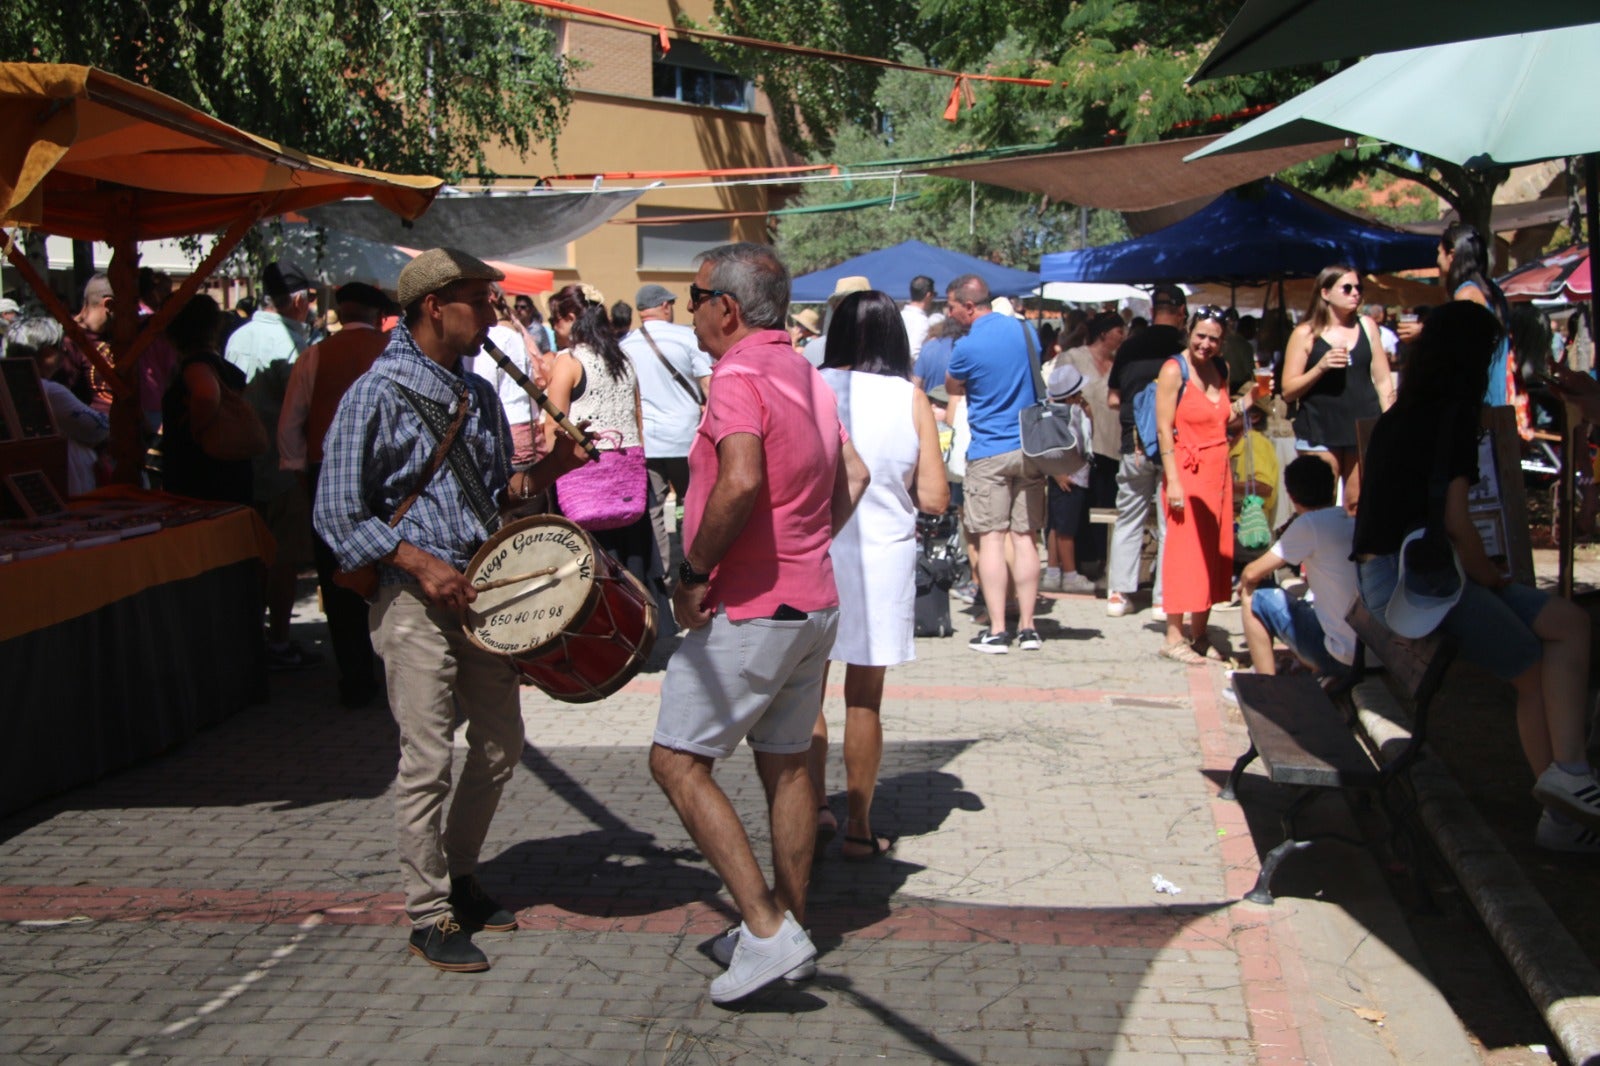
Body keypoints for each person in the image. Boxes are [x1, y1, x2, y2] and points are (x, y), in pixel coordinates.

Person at [314, 248, 591, 972]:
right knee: (428, 757)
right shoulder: (374, 394)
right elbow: (336, 514)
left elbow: (498, 495)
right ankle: (427, 911)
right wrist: (414, 561)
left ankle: (461, 873)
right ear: (435, 305)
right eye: (481, 301)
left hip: (477, 592)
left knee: (500, 746)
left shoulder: (479, 393)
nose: (494, 316)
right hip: (412, 600)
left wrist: (552, 472)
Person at [649, 242, 869, 1005]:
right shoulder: (804, 372)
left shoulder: (740, 372)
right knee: (787, 764)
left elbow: (739, 479)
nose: (691, 305)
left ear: (728, 309)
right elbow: (856, 475)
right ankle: (786, 928)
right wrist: (806, 544)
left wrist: (694, 572)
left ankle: (769, 930)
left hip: (752, 606)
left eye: (696, 293)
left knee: (677, 761)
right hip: (812, 602)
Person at [1353, 301, 1600, 852]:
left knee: (1567, 620)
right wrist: (1494, 578)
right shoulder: (1454, 417)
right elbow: (1457, 524)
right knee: (1532, 668)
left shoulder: (1407, 412)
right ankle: (1562, 814)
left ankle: (1571, 774)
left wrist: (1489, 578)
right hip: (1419, 582)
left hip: (1412, 572)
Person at [809, 290, 948, 862]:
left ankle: (812, 808)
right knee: (864, 700)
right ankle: (860, 828)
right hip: (882, 556)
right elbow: (936, 496)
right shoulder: (910, 397)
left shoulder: (811, 385)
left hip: (813, 549)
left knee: (804, 693)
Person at [278, 281, 399, 709]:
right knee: (389, 569)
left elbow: (291, 421)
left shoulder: (313, 355)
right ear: (375, 315)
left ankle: (355, 677)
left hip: (326, 475)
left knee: (338, 575)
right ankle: (395, 670)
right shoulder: (391, 352)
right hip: (388, 479)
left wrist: (298, 471)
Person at [543, 283, 659, 587]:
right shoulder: (623, 359)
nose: (553, 329)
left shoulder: (568, 361)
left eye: (554, 320)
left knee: (591, 571)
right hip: (627, 478)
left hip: (583, 480)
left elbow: (553, 423)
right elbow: (637, 417)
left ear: (570, 316)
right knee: (630, 566)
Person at [1155, 307, 1238, 665]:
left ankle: (1200, 633)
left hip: (1218, 471)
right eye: (1200, 335)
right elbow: (1163, 429)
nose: (1206, 344)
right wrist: (1173, 480)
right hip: (1186, 472)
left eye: (1214, 338)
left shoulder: (1221, 369)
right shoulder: (1175, 369)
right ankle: (1174, 636)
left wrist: (1254, 403)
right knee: (1184, 553)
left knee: (1213, 554)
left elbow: (1225, 416)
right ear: (1189, 331)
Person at [1281, 265, 1393, 511]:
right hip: (1321, 426)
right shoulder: (1306, 333)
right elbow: (1288, 390)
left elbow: (1383, 379)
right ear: (1325, 293)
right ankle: (1321, 550)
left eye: (1358, 288)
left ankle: (1353, 550)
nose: (1355, 293)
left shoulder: (1367, 326)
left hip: (1363, 424)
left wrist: (1390, 421)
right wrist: (1321, 366)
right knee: (1320, 504)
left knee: (1357, 503)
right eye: (1347, 288)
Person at [1104, 284, 1186, 618]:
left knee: (1129, 518)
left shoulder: (1130, 347)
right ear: (1181, 312)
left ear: (1152, 311)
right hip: (1175, 447)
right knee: (1171, 523)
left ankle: (1118, 595)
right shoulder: (1184, 348)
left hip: (1133, 445)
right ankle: (1163, 599)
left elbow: (1113, 398)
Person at [621, 283, 713, 579]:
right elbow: (709, 387)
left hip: (646, 440)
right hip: (687, 438)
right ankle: (694, 568)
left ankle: (660, 577)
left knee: (654, 510)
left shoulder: (625, 344)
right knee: (694, 504)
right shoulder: (687, 337)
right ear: (664, 306)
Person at [1237, 456, 1357, 682]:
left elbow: (1252, 572)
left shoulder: (1309, 524)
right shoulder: (1348, 520)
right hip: (1368, 653)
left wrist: (1243, 583)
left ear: (1291, 496)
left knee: (1253, 595)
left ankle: (1264, 682)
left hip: (1341, 658)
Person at [161, 295, 256, 505]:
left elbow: (206, 395)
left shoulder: (197, 366)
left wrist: (196, 430)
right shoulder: (221, 367)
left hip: (202, 479)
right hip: (230, 477)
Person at [1052, 310, 1124, 582]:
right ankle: (1076, 564)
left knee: (1107, 504)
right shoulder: (1073, 358)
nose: (1123, 336)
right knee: (1076, 509)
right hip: (1078, 450)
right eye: (1119, 330)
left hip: (1112, 445)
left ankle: (1104, 561)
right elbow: (1056, 399)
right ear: (1104, 332)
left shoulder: (1119, 363)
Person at [4, 317, 109, 495]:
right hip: (60, 484)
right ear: (46, 354)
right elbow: (96, 429)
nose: (63, 352)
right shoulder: (48, 391)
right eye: (59, 347)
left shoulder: (7, 385)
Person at [462, 285, 538, 468]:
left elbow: (482, 386)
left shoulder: (495, 336)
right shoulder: (514, 332)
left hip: (507, 429)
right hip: (526, 426)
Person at [1038, 364, 1097, 595]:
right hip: (1067, 477)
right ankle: (1070, 574)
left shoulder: (1067, 412)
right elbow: (1047, 446)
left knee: (1056, 526)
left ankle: (1053, 572)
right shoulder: (1058, 415)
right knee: (1065, 530)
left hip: (1069, 476)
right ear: (1071, 396)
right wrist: (1056, 473)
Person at [900, 274, 938, 359]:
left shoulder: (899, 315)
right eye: (934, 294)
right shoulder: (921, 321)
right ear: (928, 295)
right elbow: (914, 353)